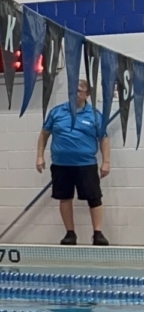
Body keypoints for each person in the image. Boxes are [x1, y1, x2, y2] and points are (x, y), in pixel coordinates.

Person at [36, 80, 110, 246]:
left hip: (86, 164)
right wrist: (40, 157)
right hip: (61, 165)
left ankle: (98, 233)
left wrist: (106, 162)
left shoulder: (95, 115)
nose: (74, 93)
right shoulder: (56, 112)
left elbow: (104, 139)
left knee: (94, 198)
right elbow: (43, 135)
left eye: (78, 90)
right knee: (65, 198)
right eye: (71, 90)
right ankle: (70, 233)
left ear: (87, 94)